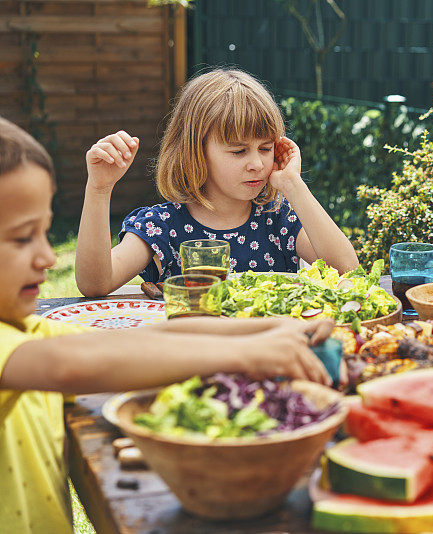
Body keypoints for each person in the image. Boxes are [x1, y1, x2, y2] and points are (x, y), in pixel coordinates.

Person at [0, 116, 333, 533]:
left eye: (45, 234)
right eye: (21, 238)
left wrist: (265, 331)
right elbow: (71, 364)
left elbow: (144, 337)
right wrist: (245, 352)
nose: (49, 258)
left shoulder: (25, 331)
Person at [75, 68, 359, 297]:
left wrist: (293, 185)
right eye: (238, 151)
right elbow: (95, 284)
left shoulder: (277, 218)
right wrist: (99, 189)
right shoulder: (162, 225)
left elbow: (348, 270)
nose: (257, 164)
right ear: (196, 152)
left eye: (265, 148)